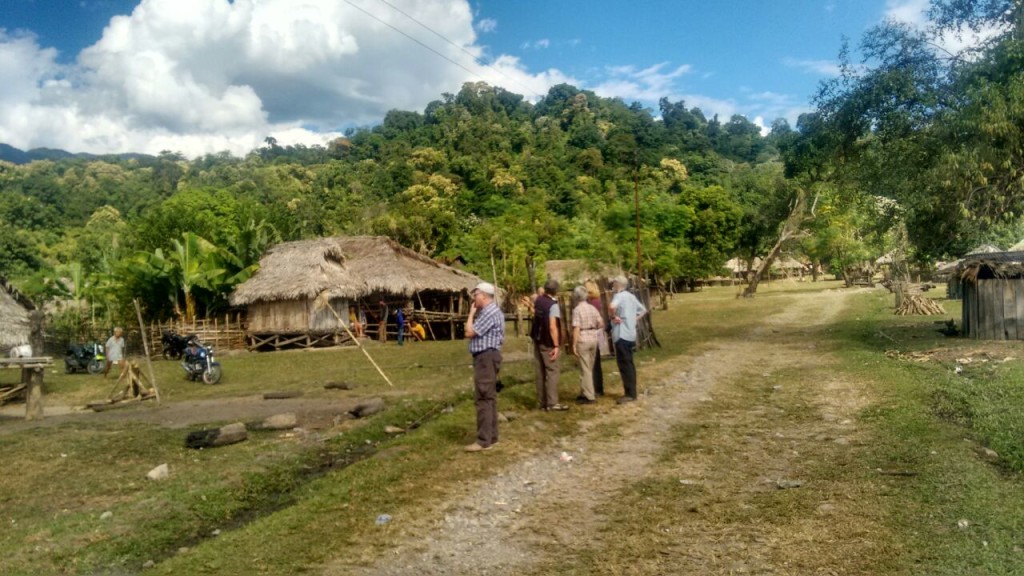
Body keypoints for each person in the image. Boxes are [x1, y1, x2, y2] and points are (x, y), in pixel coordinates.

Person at [464, 281, 504, 452]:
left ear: (484, 296)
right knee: (489, 396)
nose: (474, 298)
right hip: (488, 357)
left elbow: (469, 332)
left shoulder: (488, 312)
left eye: (476, 294)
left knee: (483, 397)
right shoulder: (491, 311)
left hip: (485, 357)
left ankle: (483, 440)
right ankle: (492, 436)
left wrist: (471, 314)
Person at [609, 276, 647, 404]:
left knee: (624, 364)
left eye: (614, 283)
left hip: (621, 334)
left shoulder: (619, 296)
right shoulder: (631, 296)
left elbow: (611, 306)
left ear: (617, 284)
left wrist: (613, 316)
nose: (612, 285)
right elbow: (643, 310)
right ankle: (632, 391)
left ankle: (630, 394)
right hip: (631, 334)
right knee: (629, 363)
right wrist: (633, 319)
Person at [531, 279, 566, 411]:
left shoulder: (539, 300)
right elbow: (552, 326)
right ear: (556, 291)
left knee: (540, 371)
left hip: (537, 338)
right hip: (547, 341)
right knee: (552, 371)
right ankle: (552, 403)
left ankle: (541, 402)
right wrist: (556, 345)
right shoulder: (553, 305)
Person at [571, 285, 604, 404]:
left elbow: (576, 328)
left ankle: (589, 396)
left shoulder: (577, 310)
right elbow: (601, 323)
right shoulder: (592, 308)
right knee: (589, 367)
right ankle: (584, 392)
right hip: (593, 338)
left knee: (585, 368)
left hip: (583, 338)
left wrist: (574, 344)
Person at [584, 280, 607, 397]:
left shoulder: (592, 302)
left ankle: (596, 388)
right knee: (596, 361)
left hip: (594, 332)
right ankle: (597, 387)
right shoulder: (596, 301)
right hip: (598, 332)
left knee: (594, 362)